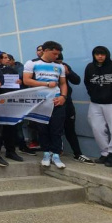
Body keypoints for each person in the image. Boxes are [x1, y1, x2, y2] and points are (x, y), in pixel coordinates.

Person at [23, 41, 69, 169]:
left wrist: (63, 97)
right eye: (54, 53)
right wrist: (46, 84)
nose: (56, 56)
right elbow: (27, 80)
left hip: (56, 101)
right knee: (43, 129)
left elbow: (63, 83)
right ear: (45, 50)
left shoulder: (59, 66)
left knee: (57, 129)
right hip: (40, 101)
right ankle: (46, 153)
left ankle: (56, 154)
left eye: (57, 54)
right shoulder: (32, 63)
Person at [84, 46, 112, 167]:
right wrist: (93, 94)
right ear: (94, 55)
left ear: (107, 55)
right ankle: (105, 153)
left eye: (102, 54)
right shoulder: (90, 67)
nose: (100, 56)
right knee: (97, 128)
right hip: (95, 103)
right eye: (97, 54)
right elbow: (87, 82)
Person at [55, 53, 94, 164]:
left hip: (66, 102)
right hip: (52, 102)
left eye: (60, 62)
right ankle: (54, 152)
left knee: (70, 129)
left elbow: (76, 80)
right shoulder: (43, 67)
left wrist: (68, 72)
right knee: (54, 129)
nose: (59, 64)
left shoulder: (64, 66)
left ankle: (78, 153)